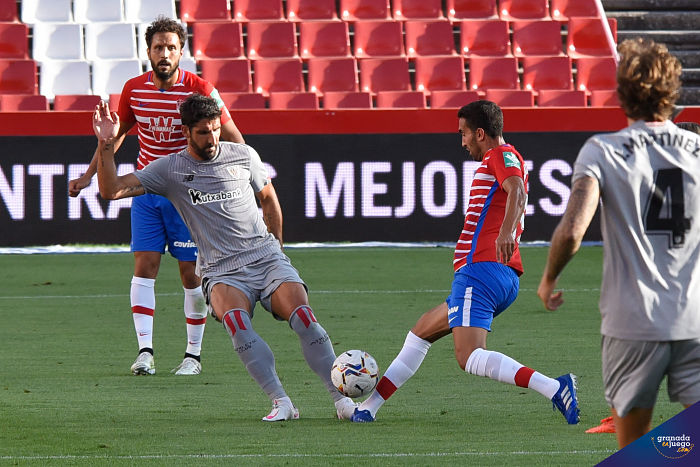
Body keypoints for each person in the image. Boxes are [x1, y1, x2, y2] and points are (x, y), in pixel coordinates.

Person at [90, 94, 358, 421]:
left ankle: (342, 402)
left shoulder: (243, 155)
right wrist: (106, 144)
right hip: (221, 270)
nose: (212, 138)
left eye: (216, 129)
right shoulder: (170, 169)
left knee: (304, 317)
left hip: (266, 258)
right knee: (236, 322)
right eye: (203, 132)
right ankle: (282, 402)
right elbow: (111, 190)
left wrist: (278, 250)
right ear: (186, 132)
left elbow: (268, 199)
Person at [351, 100, 580, 424]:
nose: (462, 142)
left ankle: (555, 387)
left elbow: (516, 189)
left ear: (480, 133)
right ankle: (368, 407)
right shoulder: (505, 157)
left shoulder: (500, 155)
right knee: (421, 333)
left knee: (469, 355)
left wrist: (505, 233)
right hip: (494, 273)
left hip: (481, 271)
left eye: (464, 133)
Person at [537, 38, 700, 449]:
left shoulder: (602, 150)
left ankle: (665, 450)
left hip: (632, 322)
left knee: (634, 447)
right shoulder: (698, 150)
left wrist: (548, 279)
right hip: (694, 318)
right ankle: (676, 448)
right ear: (673, 91)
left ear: (622, 94)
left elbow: (572, 231)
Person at [68, 17, 244, 376]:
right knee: (144, 267)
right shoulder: (134, 89)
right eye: (158, 47)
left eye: (171, 48)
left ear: (181, 52)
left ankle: (193, 356)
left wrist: (235, 179)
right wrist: (89, 175)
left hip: (186, 193)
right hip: (147, 189)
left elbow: (232, 138)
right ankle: (145, 352)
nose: (164, 53)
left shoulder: (200, 89)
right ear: (148, 52)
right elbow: (115, 135)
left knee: (190, 274)